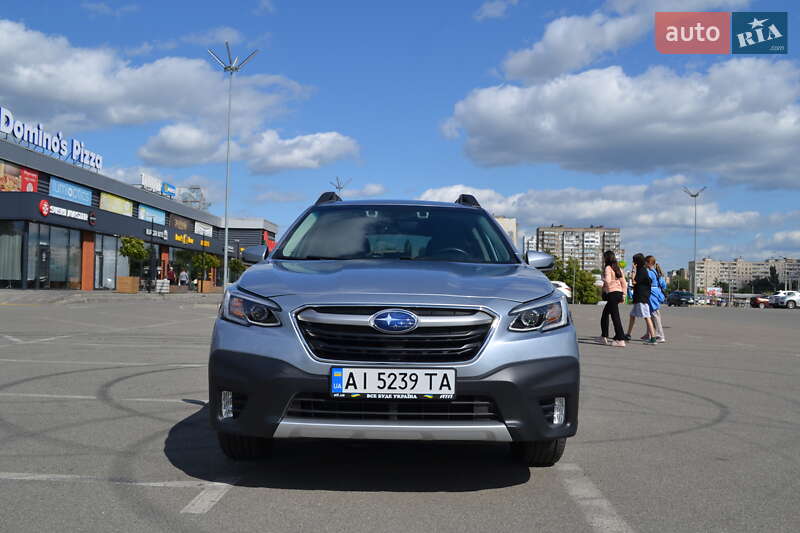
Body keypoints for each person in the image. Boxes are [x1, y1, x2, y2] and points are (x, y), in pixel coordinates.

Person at [625, 253, 658, 344]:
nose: (633, 263)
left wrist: (633, 271)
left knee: (647, 317)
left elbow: (634, 281)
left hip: (641, 298)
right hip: (640, 298)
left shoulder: (641, 271)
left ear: (637, 262)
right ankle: (628, 334)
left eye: (634, 261)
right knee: (632, 315)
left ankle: (653, 338)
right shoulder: (643, 270)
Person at [600, 250, 627, 347]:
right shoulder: (617, 268)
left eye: (603, 257)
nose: (603, 259)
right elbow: (624, 283)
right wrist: (624, 295)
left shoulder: (608, 268)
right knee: (605, 314)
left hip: (612, 294)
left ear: (606, 258)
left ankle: (620, 339)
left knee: (615, 317)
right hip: (618, 294)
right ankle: (604, 336)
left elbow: (607, 280)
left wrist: (602, 277)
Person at [642, 256, 667, 343]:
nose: (644, 264)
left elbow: (644, 281)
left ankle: (660, 335)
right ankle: (649, 333)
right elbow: (664, 285)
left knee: (655, 315)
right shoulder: (655, 272)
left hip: (652, 293)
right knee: (650, 314)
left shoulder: (650, 273)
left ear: (648, 263)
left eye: (645, 262)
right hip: (655, 292)